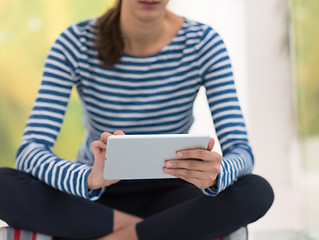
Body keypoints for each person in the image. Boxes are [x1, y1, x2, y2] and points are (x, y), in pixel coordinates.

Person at [0, 0, 274, 239]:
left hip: (175, 193)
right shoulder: (74, 42)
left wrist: (216, 175)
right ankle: (157, 232)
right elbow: (30, 151)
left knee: (256, 191)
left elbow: (241, 150)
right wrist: (89, 178)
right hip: (96, 196)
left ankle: (117, 237)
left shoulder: (203, 43)